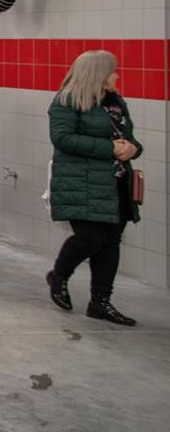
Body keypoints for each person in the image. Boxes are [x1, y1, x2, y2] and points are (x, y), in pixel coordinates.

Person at [46, 51, 142, 326]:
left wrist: (133, 149)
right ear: (98, 74)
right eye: (113, 71)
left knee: (110, 242)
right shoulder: (67, 101)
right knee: (90, 238)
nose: (117, 76)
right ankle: (59, 275)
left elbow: (129, 139)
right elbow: (62, 138)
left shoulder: (116, 103)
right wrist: (108, 148)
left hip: (116, 183)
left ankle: (100, 302)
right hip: (81, 182)